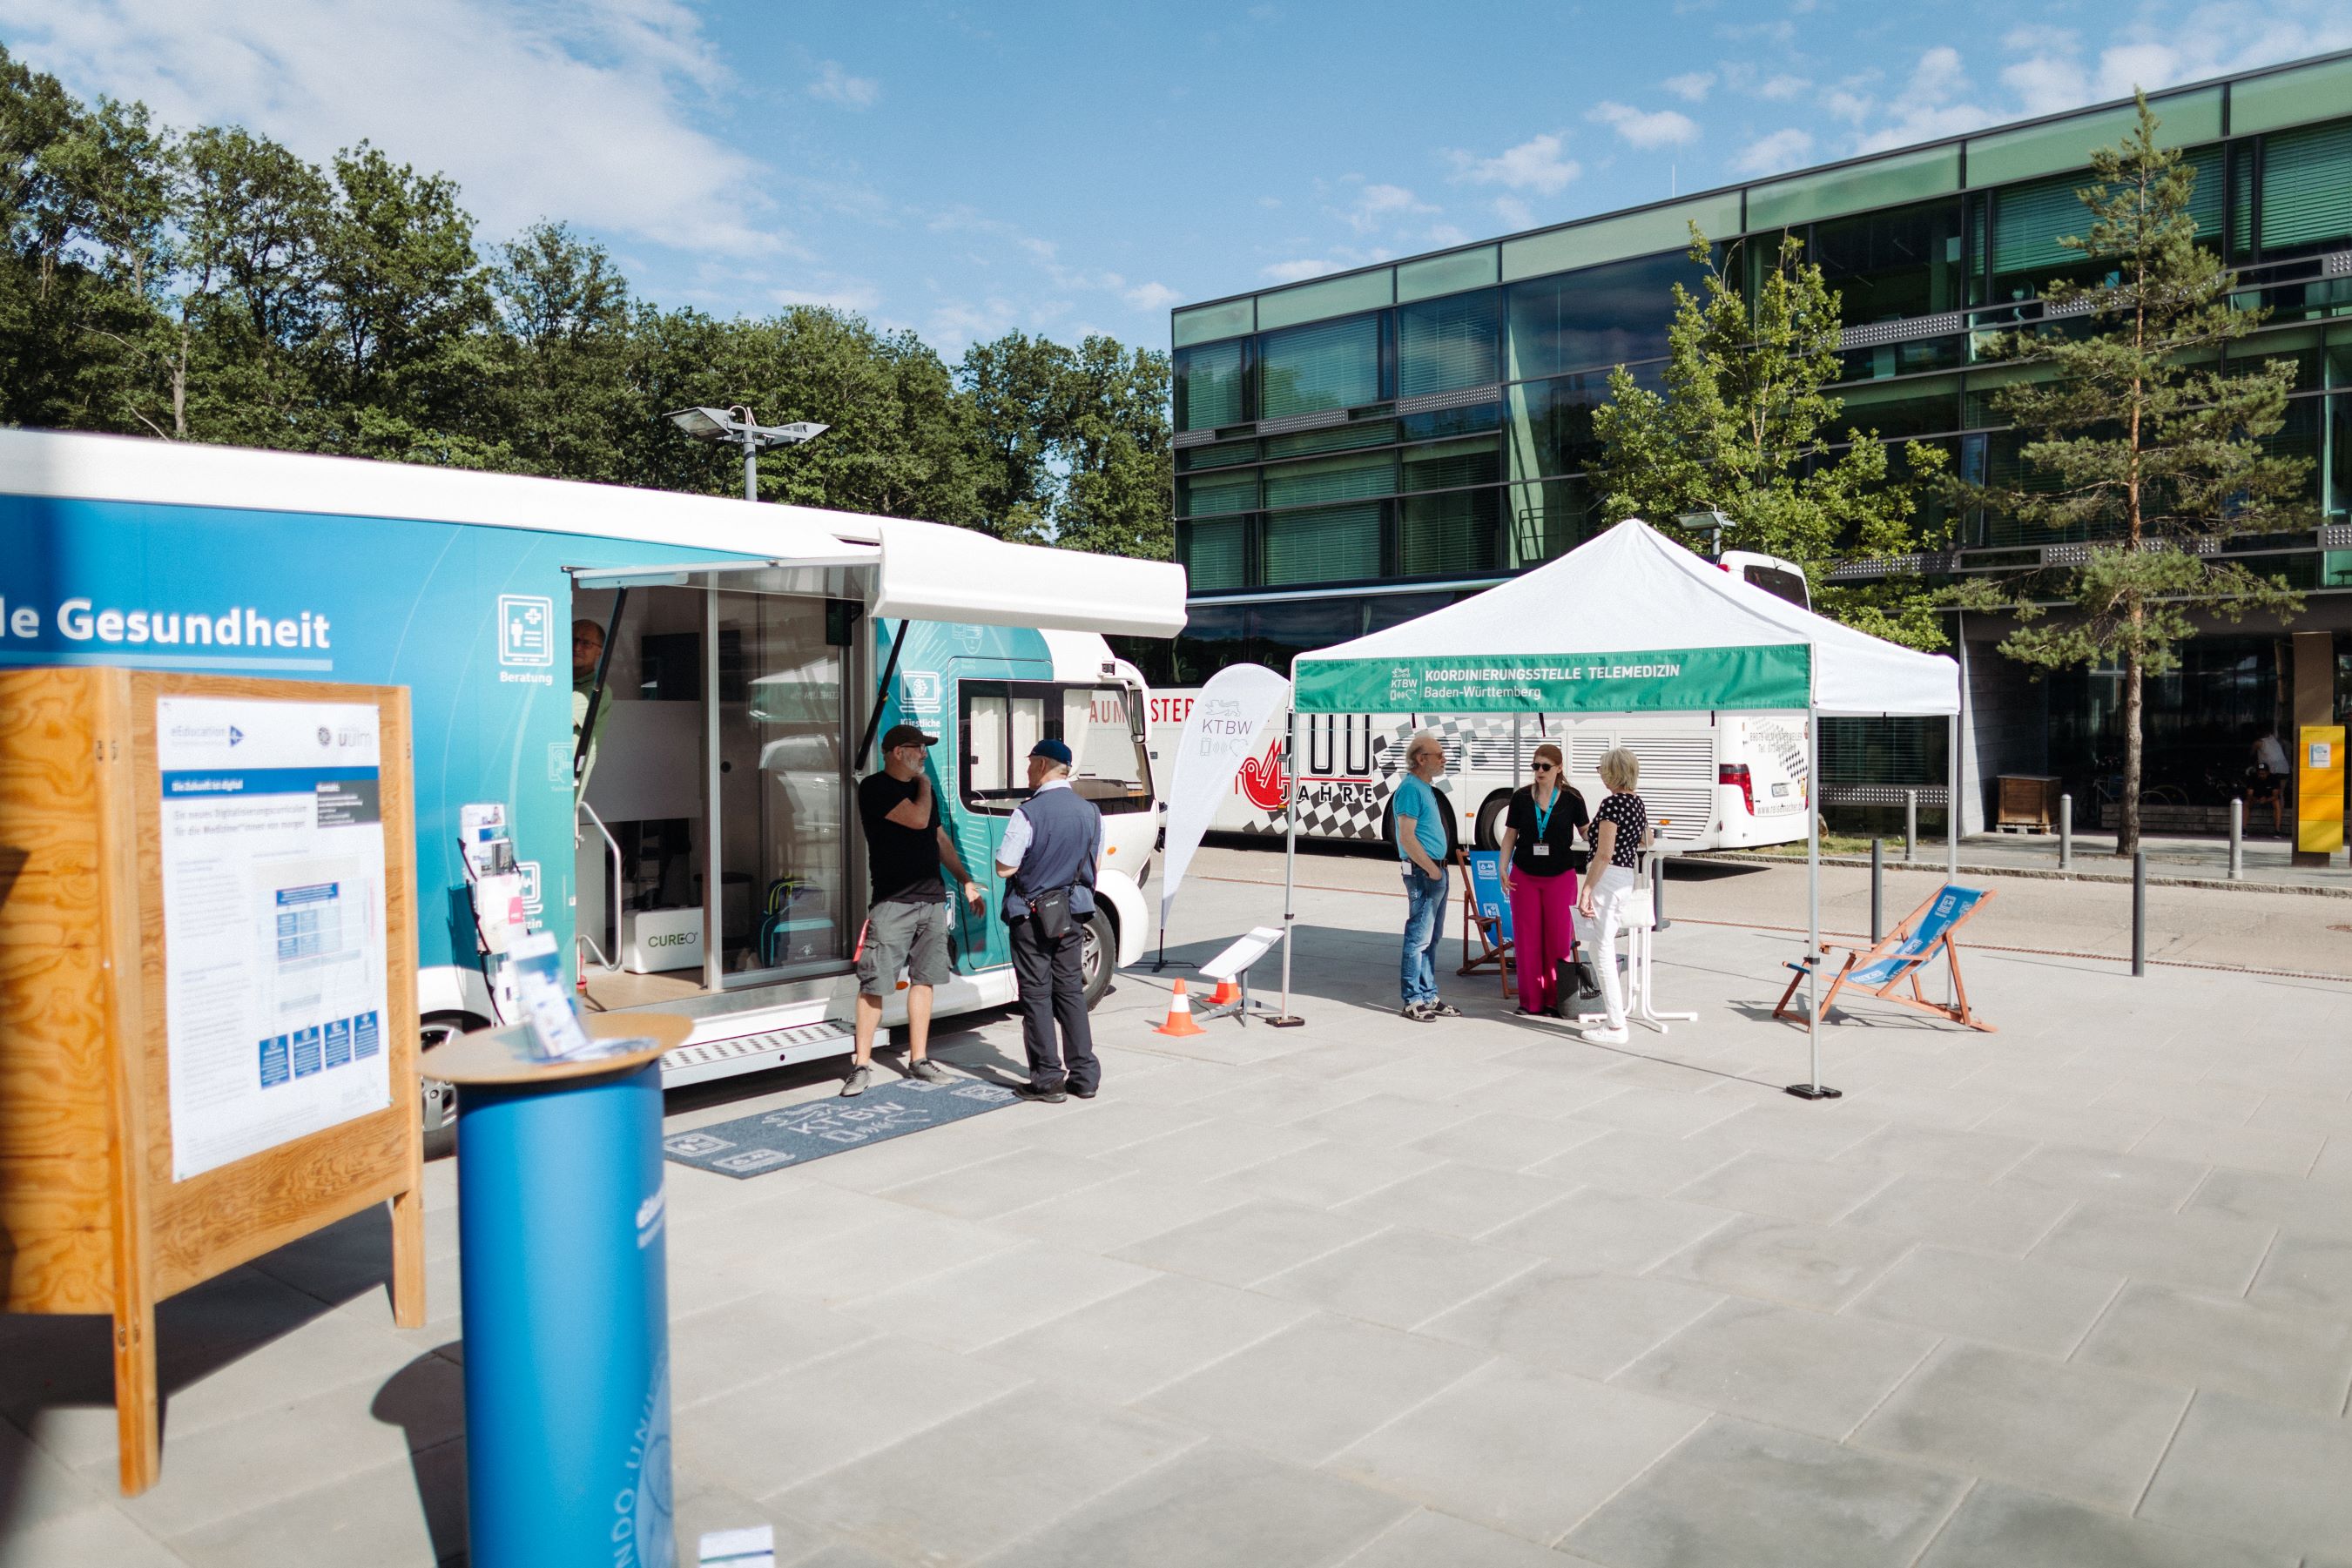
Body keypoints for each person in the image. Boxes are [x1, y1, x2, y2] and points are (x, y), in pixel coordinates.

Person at [842, 724, 987, 1097]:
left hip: (932, 899)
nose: (924, 754)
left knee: (925, 980)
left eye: (925, 748)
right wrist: (924, 785)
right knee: (875, 983)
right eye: (917, 748)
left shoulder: (925, 791)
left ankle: (919, 1059)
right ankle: (861, 1064)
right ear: (895, 752)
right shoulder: (875, 788)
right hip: (893, 902)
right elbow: (918, 819)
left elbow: (937, 837)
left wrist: (964, 880)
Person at [995, 737, 1104, 1102]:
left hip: (1031, 915)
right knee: (1071, 991)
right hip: (1073, 913)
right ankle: (1085, 1075)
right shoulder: (1090, 812)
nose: (1027, 771)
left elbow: (1005, 868)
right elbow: (1094, 867)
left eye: (1030, 764)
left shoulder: (1028, 812)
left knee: (1037, 996)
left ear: (1043, 765)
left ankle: (1047, 1079)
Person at [1497, 743, 1588, 1016]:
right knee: (1527, 941)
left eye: (1545, 767)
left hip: (1560, 876)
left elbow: (1586, 833)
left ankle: (1556, 1001)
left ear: (1559, 768)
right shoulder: (1522, 797)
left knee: (1559, 941)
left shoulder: (1572, 798)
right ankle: (1530, 1002)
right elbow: (1510, 835)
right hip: (1524, 876)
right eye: (1535, 766)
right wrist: (1504, 867)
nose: (1539, 771)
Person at [1576, 746, 1652, 1046]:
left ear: (1611, 773)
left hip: (1608, 878)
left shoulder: (1611, 804)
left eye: (1601, 769)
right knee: (1599, 948)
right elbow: (1646, 838)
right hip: (1625, 876)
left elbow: (1604, 853)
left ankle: (1616, 1025)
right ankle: (1614, 1018)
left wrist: (1587, 888)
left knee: (1602, 948)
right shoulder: (1636, 802)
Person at [1392, 730, 1461, 1022]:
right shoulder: (1410, 789)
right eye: (1439, 755)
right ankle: (1413, 999)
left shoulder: (1425, 788)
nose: (1444, 759)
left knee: (1431, 937)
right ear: (1421, 759)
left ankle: (1428, 994)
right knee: (1419, 936)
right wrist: (1432, 869)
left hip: (1435, 870)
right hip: (1425, 872)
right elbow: (1407, 837)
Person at [570, 618, 611, 787]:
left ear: (599, 651)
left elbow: (556, 725)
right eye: (573, 640)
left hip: (561, 788)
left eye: (586, 643)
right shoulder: (551, 681)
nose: (577, 647)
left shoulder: (596, 690)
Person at [2250, 726, 2289, 833]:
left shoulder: (2258, 743)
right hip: (2284, 769)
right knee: (2281, 793)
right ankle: (2280, 816)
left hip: (2273, 770)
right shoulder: (2273, 739)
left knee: (2268, 791)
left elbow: (2251, 754)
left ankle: (2272, 810)